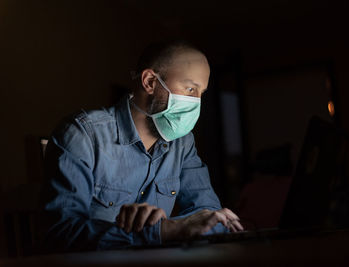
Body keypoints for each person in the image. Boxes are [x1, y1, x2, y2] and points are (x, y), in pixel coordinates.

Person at [42, 40, 243, 251]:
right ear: (150, 82)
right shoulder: (82, 135)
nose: (197, 102)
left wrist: (199, 223)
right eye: (191, 89)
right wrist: (164, 231)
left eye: (202, 93)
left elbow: (209, 216)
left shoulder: (183, 143)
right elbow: (60, 233)